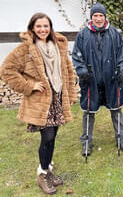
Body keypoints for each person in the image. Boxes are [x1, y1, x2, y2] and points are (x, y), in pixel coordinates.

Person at [0, 13, 77, 194]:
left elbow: (68, 70)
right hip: (41, 100)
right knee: (47, 138)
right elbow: (6, 70)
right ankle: (42, 174)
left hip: (57, 97)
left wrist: (70, 94)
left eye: (46, 26)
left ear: (50, 27)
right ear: (32, 28)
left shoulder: (58, 45)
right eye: (38, 26)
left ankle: (48, 170)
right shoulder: (26, 49)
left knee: (53, 137)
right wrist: (29, 85)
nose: (42, 30)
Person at [72, 3, 123, 156]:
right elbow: (77, 55)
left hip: (112, 78)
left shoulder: (114, 34)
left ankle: (121, 139)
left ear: (105, 17)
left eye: (101, 16)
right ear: (91, 17)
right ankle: (86, 143)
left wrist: (122, 69)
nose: (98, 19)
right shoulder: (83, 35)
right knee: (89, 112)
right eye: (95, 16)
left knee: (116, 109)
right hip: (91, 79)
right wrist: (82, 71)